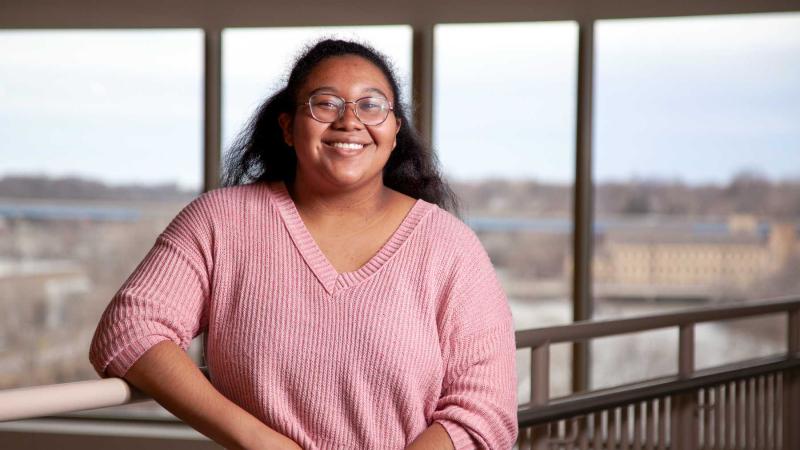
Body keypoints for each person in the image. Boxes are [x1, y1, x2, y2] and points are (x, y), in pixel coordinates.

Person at [89, 39, 518, 450]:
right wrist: (258, 440)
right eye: (325, 103)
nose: (350, 121)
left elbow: (486, 409)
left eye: (371, 105)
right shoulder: (220, 222)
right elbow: (130, 329)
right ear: (288, 127)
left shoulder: (449, 246)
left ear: (394, 130)